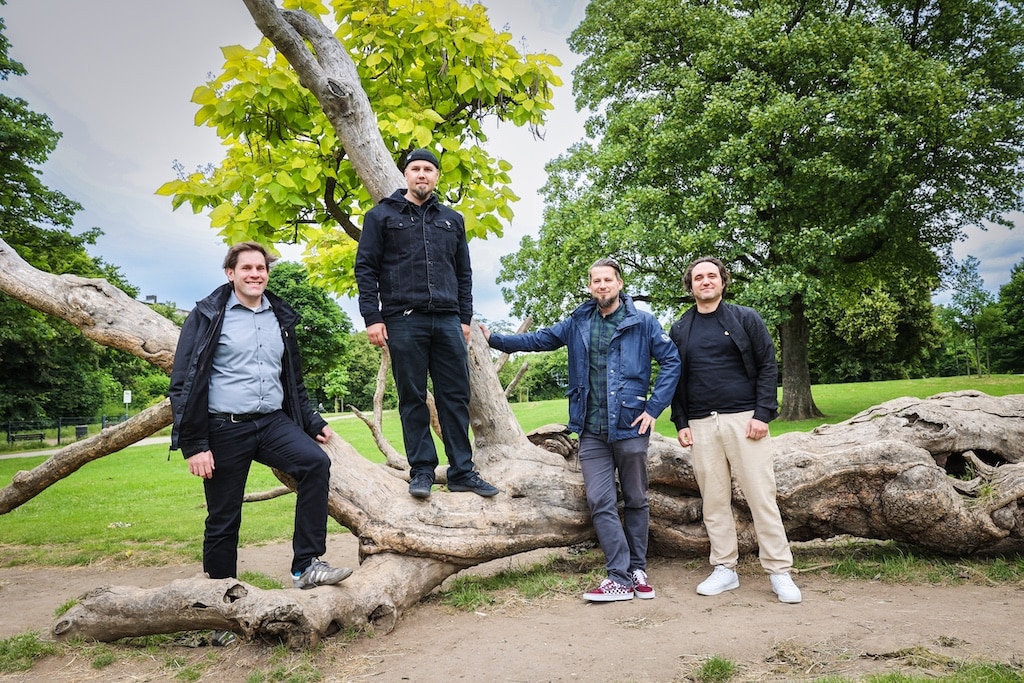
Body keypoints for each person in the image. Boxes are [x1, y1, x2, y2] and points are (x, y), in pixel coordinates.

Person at [481, 258, 681, 602]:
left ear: (619, 284)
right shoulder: (579, 321)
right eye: (595, 281)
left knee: (635, 499)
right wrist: (495, 339)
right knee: (600, 500)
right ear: (590, 287)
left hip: (631, 425)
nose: (601, 285)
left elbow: (672, 361)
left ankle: (637, 568)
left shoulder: (643, 322)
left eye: (607, 280)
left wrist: (653, 408)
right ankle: (618, 576)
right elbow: (540, 339)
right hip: (591, 430)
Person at [170, 242, 351, 592]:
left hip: (271, 422)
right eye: (247, 268)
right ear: (230, 273)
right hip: (223, 426)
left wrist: (311, 420)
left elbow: (291, 376)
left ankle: (306, 566)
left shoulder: (279, 316)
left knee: (315, 464)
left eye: (261, 268)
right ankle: (220, 601)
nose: (255, 274)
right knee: (223, 518)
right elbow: (182, 383)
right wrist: (194, 445)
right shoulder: (208, 314)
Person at [355, 148, 498, 499]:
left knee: (454, 396)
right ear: (406, 174)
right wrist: (372, 317)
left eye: (429, 170)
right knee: (413, 397)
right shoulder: (381, 217)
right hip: (403, 320)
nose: (422, 174)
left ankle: (463, 471)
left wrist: (464, 319)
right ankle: (421, 471)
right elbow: (366, 269)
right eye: (416, 169)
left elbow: (464, 273)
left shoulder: (451, 219)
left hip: (448, 321)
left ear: (436, 176)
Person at [669, 256, 801, 604]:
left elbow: (767, 365)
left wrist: (762, 413)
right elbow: (674, 377)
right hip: (700, 424)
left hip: (745, 421)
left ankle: (779, 571)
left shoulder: (746, 318)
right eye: (698, 277)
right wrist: (680, 422)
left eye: (712, 275)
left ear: (723, 282)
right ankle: (725, 568)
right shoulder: (681, 328)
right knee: (714, 502)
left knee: (761, 497)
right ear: (691, 285)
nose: (706, 281)